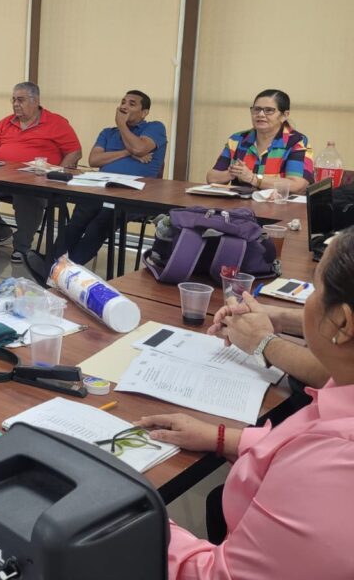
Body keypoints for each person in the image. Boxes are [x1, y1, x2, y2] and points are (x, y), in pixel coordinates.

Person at [139, 231, 354, 579]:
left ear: (342, 323)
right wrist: (226, 438)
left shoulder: (330, 473)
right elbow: (306, 440)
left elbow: (216, 575)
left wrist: (129, 515)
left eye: (315, 290)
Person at [27, 90, 166, 279]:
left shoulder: (155, 128)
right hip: (102, 187)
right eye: (123, 102)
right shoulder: (108, 132)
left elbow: (140, 148)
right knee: (78, 218)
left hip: (136, 194)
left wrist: (122, 125)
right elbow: (94, 159)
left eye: (132, 104)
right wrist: (128, 152)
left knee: (100, 223)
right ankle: (53, 264)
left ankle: (60, 272)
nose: (124, 106)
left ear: (145, 112)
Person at [0, 82, 82, 263]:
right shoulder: (5, 122)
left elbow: (75, 152)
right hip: (1, 177)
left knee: (27, 195)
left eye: (21, 100)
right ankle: (1, 233)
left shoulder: (56, 122)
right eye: (14, 100)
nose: (16, 104)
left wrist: (57, 174)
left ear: (36, 101)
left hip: (36, 179)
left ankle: (22, 246)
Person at [205, 88, 313, 193]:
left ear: (284, 115)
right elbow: (212, 178)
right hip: (240, 208)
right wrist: (233, 173)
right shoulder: (237, 139)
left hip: (280, 207)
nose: (260, 115)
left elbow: (298, 185)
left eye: (269, 110)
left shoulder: (296, 141)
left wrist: (252, 178)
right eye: (257, 109)